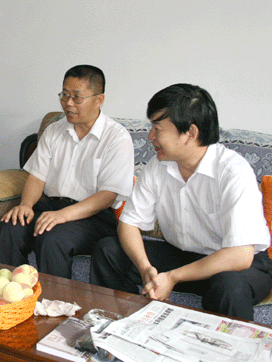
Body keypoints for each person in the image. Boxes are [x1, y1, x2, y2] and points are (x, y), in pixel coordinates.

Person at [90, 84, 272, 321]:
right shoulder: (158, 166)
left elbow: (240, 256)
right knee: (108, 251)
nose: (150, 136)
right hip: (183, 255)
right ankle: (120, 326)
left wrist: (173, 277)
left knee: (229, 286)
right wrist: (146, 268)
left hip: (236, 266)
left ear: (190, 133)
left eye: (157, 128)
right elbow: (129, 223)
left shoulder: (233, 172)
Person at [0, 65, 135, 279]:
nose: (68, 103)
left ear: (99, 99)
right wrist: (26, 205)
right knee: (10, 226)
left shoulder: (117, 137)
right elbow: (37, 177)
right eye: (65, 95)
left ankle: (55, 299)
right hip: (52, 206)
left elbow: (108, 195)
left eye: (77, 97)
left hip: (94, 216)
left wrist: (63, 216)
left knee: (52, 237)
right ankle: (10, 293)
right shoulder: (54, 130)